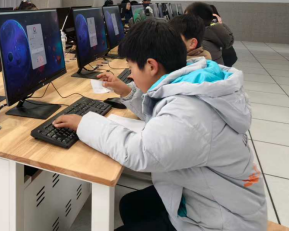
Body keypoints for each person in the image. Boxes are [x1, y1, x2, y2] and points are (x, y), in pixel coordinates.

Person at [53, 20, 266, 231]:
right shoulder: (192, 81)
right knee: (131, 205)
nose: (131, 75)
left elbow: (140, 152)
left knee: (130, 211)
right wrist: (128, 92)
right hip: (212, 199)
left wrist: (84, 123)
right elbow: (161, 112)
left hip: (224, 222)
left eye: (131, 68)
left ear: (151, 66)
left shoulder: (190, 110)